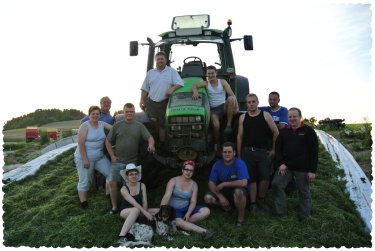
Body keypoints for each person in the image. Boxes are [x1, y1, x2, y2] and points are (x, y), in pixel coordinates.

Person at [105, 103, 156, 214]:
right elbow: (107, 141)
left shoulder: (139, 126)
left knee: (129, 186)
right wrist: (112, 156)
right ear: (123, 112)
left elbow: (150, 137)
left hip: (132, 162)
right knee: (112, 183)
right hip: (117, 161)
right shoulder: (117, 125)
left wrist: (151, 144)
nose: (129, 113)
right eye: (127, 111)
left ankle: (128, 208)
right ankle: (114, 207)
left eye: (131, 111)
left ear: (134, 112)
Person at [271, 108, 318, 221]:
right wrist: (281, 163)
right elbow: (278, 150)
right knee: (277, 184)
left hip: (303, 168)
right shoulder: (284, 132)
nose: (292, 119)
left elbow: (314, 152)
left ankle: (304, 216)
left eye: (294, 116)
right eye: (290, 117)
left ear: (300, 117)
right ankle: (280, 212)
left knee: (304, 191)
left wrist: (312, 171)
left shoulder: (308, 131)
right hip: (286, 166)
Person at [237, 93, 279, 213]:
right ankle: (253, 202)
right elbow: (239, 136)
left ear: (257, 102)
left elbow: (276, 132)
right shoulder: (243, 117)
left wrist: (273, 150)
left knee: (265, 177)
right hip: (247, 151)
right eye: (249, 102)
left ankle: (261, 199)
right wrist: (239, 155)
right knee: (252, 178)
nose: (251, 104)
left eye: (253, 102)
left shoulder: (265, 115)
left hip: (262, 152)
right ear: (246, 104)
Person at [160, 160, 214, 240]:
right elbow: (166, 196)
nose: (188, 172)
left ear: (193, 172)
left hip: (186, 208)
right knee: (178, 221)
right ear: (182, 170)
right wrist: (162, 212)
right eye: (186, 170)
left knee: (206, 211)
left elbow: (193, 201)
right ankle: (204, 232)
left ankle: (182, 224)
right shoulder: (173, 180)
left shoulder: (194, 184)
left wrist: (188, 213)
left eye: (191, 171)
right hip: (173, 210)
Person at [139, 51, 184, 146]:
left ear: (166, 60)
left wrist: (172, 88)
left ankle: (163, 144)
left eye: (162, 59)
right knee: (154, 121)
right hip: (151, 102)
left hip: (165, 102)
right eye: (158, 59)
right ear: (155, 61)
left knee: (163, 125)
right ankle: (155, 141)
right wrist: (141, 99)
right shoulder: (151, 73)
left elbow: (180, 83)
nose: (160, 61)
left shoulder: (171, 71)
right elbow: (145, 88)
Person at [74, 105, 113, 209]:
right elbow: (81, 143)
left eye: (97, 114)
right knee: (84, 181)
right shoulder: (85, 126)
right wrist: (85, 160)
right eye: (93, 114)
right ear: (89, 115)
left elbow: (114, 129)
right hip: (84, 158)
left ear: (100, 115)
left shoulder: (102, 124)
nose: (95, 116)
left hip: (99, 157)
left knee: (111, 174)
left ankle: (108, 194)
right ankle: (83, 203)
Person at [204, 142, 249, 227]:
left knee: (239, 192)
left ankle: (240, 217)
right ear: (222, 153)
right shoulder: (217, 164)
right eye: (225, 152)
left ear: (234, 153)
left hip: (238, 190)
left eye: (229, 152)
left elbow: (244, 182)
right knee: (208, 198)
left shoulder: (240, 163)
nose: (227, 154)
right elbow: (211, 182)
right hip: (224, 192)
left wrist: (225, 184)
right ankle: (227, 209)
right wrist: (220, 196)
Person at [192, 65, 238, 148]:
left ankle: (229, 125)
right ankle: (218, 143)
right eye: (209, 74)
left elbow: (232, 95)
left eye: (212, 73)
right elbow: (194, 86)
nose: (211, 75)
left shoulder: (222, 82)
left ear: (216, 73)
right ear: (206, 75)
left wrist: (236, 107)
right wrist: (195, 92)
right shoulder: (206, 83)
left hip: (223, 106)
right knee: (216, 125)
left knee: (231, 99)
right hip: (213, 109)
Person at [81, 96, 114, 196]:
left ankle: (107, 187)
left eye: (108, 103)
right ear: (100, 104)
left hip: (105, 144)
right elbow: (83, 122)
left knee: (105, 164)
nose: (106, 104)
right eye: (104, 102)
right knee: (93, 166)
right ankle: (97, 185)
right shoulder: (97, 114)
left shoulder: (110, 117)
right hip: (94, 145)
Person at [116, 163, 155, 246]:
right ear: (127, 177)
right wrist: (145, 213)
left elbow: (144, 201)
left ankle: (164, 229)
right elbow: (134, 202)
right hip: (126, 211)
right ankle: (121, 236)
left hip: (140, 209)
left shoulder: (142, 185)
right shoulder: (123, 189)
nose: (134, 176)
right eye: (131, 174)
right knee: (135, 210)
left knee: (158, 210)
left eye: (135, 174)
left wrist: (145, 214)